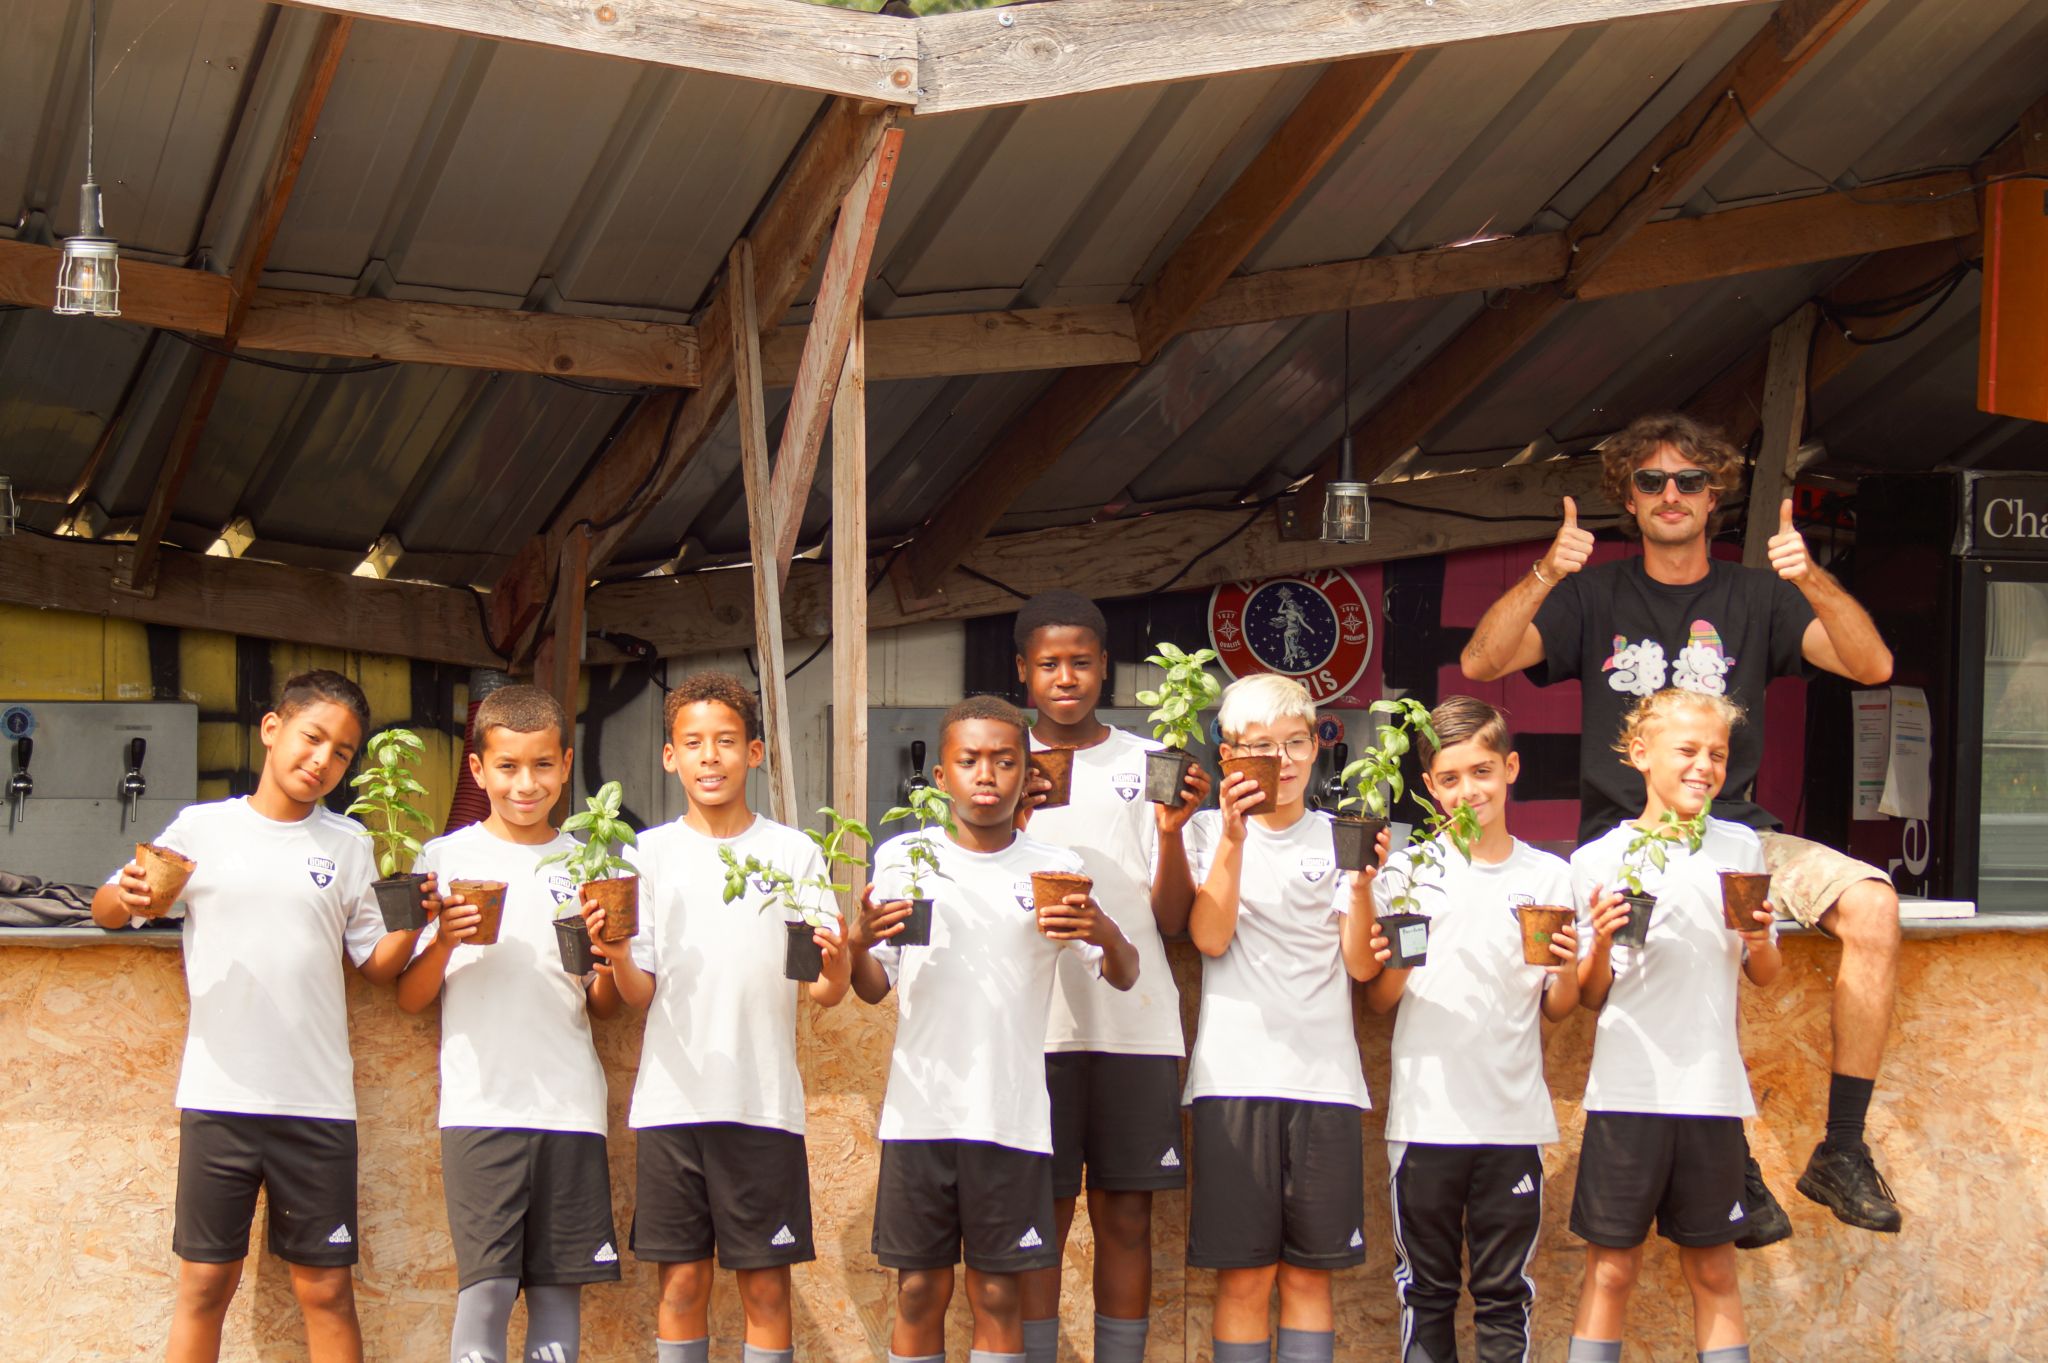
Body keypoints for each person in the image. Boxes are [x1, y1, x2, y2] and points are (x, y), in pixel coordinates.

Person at [1459, 411, 1901, 1236]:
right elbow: (1483, 662)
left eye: (1689, 480)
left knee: (1873, 904)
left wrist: (1810, 577)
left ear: (1715, 495)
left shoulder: (1757, 592)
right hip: (1627, 841)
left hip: (1740, 828)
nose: (1671, 493)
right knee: (1697, 918)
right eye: (1652, 480)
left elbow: (1872, 664)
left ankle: (1841, 1147)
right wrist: (1546, 574)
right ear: (1626, 496)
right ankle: (1732, 1162)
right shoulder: (1592, 593)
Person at [91, 670, 424, 1363]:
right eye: (313, 737)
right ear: (273, 729)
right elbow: (110, 908)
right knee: (206, 1282)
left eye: (341, 751)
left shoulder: (349, 844)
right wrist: (126, 896)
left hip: (318, 1105)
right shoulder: (203, 827)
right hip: (219, 1097)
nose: (322, 760)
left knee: (327, 1290)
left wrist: (430, 919)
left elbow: (377, 963)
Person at [848, 695, 1140, 1363]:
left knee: (1000, 1295)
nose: (988, 774)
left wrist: (1102, 927)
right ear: (942, 775)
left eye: (1005, 761)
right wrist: (858, 939)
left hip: (1010, 1120)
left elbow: (1122, 973)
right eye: (970, 760)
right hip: (920, 1119)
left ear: (1025, 770)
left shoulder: (1053, 868)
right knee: (919, 1289)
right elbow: (873, 987)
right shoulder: (906, 859)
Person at [602, 672, 853, 1363]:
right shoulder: (647, 853)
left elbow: (821, 992)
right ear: (668, 756)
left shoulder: (794, 852)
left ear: (756, 752)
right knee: (681, 1280)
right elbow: (637, 992)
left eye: (725, 741)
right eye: (693, 742)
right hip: (671, 1104)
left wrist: (836, 961)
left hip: (762, 1103)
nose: (709, 756)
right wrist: (617, 952)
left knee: (765, 1288)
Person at [1154, 673, 1387, 1363]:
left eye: (1295, 742)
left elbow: (1363, 967)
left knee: (1310, 1273)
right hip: (1234, 1080)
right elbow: (1208, 937)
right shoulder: (1202, 834)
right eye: (1261, 747)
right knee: (1246, 1274)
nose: (1281, 761)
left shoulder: (1342, 837)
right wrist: (1232, 836)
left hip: (1326, 1081)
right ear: (1230, 755)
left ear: (1316, 747)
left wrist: (1365, 885)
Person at [1009, 592, 1208, 1363]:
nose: (1067, 677)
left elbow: (1169, 917)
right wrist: (1016, 823)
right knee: (1042, 1216)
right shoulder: (1000, 762)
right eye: (1050, 663)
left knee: (1125, 1217)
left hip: (1136, 1021)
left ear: (1105, 668)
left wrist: (1171, 834)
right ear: (1023, 670)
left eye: (1082, 662)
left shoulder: (1145, 762)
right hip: (1036, 1030)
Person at [397, 684, 620, 1363]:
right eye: (508, 766)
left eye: (544, 766)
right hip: (480, 1108)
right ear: (477, 769)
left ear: (566, 764)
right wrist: (442, 941)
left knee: (557, 1299)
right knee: (486, 1291)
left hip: (572, 1110)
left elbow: (604, 1004)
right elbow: (410, 997)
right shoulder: (443, 859)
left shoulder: (591, 863)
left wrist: (607, 957)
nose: (527, 783)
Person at [1565, 688, 1782, 1363]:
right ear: (1640, 754)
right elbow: (1591, 995)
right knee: (1611, 1270)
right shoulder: (1597, 860)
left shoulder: (1739, 845)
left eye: (1716, 753)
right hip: (1627, 1094)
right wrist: (1596, 944)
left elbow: (1763, 971)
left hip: (1710, 1095)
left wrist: (1764, 936)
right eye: (1687, 750)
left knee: (1715, 1270)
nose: (1703, 766)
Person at [1363, 696, 1579, 1363]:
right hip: (1425, 1121)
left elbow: (1558, 1005)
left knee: (1503, 1293)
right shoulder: (1406, 873)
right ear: (1429, 786)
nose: (1469, 790)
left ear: (1510, 768)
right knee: (1424, 1291)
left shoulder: (1549, 875)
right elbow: (1378, 1002)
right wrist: (1401, 954)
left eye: (1482, 771)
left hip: (1512, 1123)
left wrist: (1571, 966)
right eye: (1450, 777)